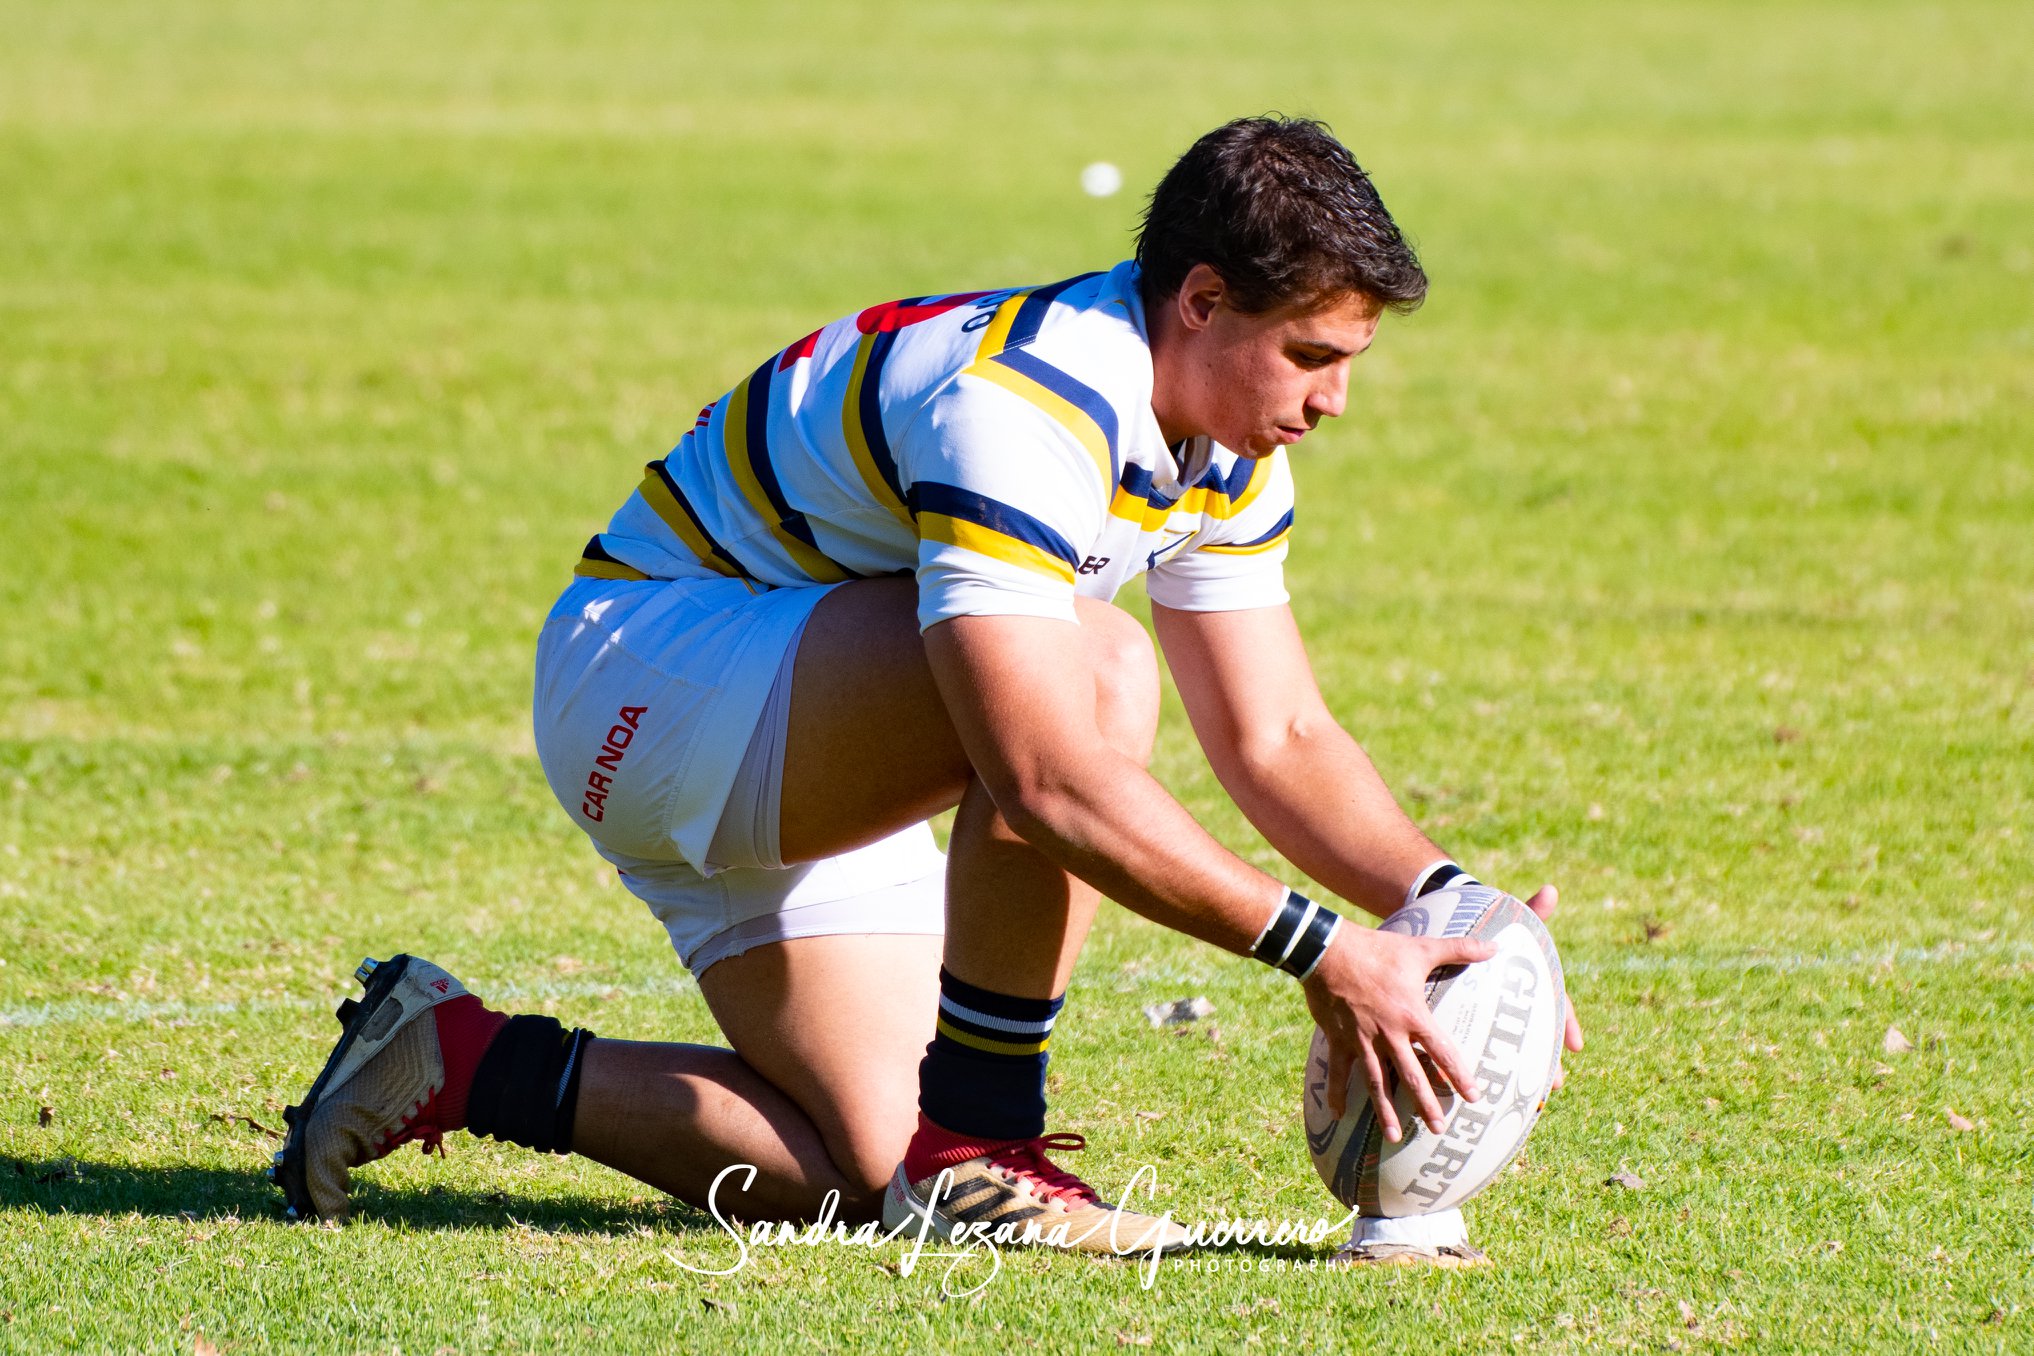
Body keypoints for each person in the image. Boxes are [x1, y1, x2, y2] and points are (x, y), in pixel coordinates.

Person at [271, 116, 1582, 1267]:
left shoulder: (1229, 449)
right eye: (1309, 353)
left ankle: (459, 1058)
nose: (1334, 400)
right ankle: (993, 1143)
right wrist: (1324, 951)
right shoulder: (1025, 406)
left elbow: (1276, 733)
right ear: (1200, 299)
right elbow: (1044, 778)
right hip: (654, 679)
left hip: (803, 722)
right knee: (1093, 665)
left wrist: (1449, 911)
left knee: (870, 1184)